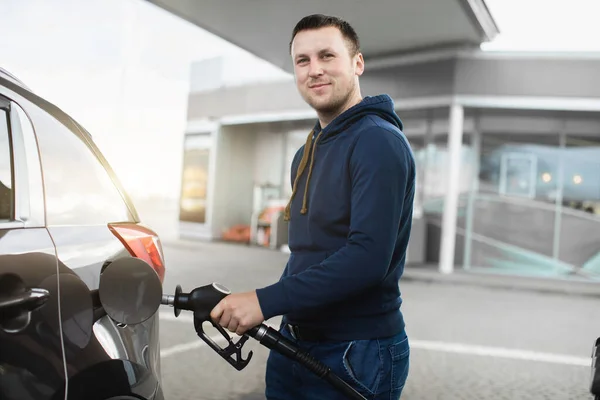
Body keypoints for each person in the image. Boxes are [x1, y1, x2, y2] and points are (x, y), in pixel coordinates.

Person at [210, 13, 416, 399]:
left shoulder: (377, 141)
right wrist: (272, 309)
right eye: (302, 61)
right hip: (294, 342)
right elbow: (308, 252)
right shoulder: (306, 152)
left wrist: (263, 300)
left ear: (357, 63)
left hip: (357, 351)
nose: (314, 70)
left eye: (327, 56)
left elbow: (367, 258)